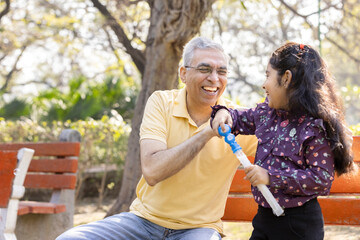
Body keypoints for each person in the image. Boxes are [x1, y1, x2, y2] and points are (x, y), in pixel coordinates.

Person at [56, 36, 257, 240]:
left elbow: (284, 149)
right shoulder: (161, 102)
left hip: (199, 229)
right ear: (183, 74)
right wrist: (207, 132)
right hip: (142, 222)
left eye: (221, 71)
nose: (214, 78)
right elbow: (152, 170)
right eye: (205, 69)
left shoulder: (239, 118)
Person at [211, 42, 355, 240]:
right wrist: (223, 113)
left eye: (268, 75)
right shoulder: (265, 114)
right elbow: (238, 119)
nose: (264, 84)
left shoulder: (314, 127)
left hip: (299, 225)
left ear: (286, 78)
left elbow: (321, 179)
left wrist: (271, 177)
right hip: (265, 218)